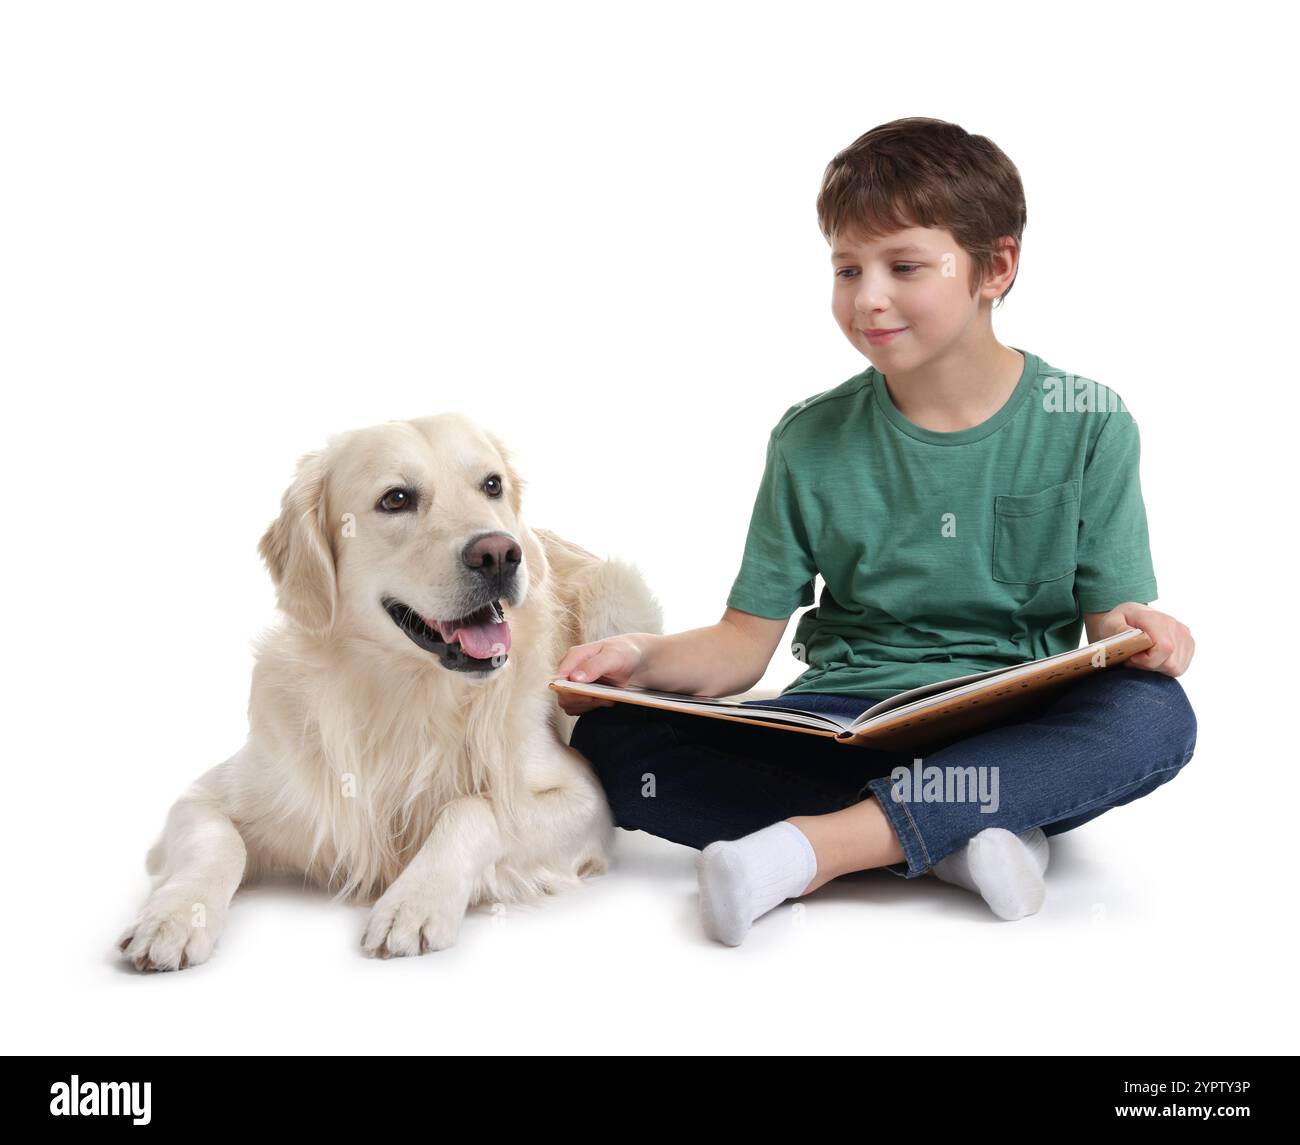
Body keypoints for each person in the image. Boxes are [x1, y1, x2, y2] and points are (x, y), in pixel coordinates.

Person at [555, 117, 1197, 946]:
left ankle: (812, 848)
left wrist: (1142, 635)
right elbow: (743, 645)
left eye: (903, 266)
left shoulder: (1089, 422)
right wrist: (638, 660)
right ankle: (950, 842)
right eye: (847, 268)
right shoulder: (808, 438)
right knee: (611, 738)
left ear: (994, 268)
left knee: (1155, 714)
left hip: (1010, 723)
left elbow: (1112, 623)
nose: (868, 298)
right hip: (847, 725)